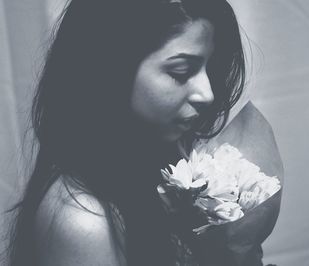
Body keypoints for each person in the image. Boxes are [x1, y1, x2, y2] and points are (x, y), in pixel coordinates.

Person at [4, 0, 282, 265]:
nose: (208, 93)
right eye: (181, 71)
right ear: (109, 69)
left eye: (210, 67)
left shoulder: (159, 165)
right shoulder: (83, 221)